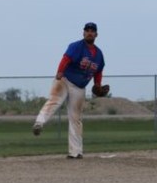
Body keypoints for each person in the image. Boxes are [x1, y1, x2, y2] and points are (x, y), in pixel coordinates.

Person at [32, 22, 107, 159]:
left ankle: (76, 152)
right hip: (65, 80)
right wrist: (60, 72)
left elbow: (98, 71)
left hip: (79, 87)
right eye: (87, 30)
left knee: (76, 119)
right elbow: (66, 59)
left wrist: (98, 85)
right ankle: (39, 123)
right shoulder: (76, 46)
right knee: (54, 102)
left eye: (92, 31)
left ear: (96, 34)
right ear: (83, 33)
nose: (89, 32)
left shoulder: (99, 55)